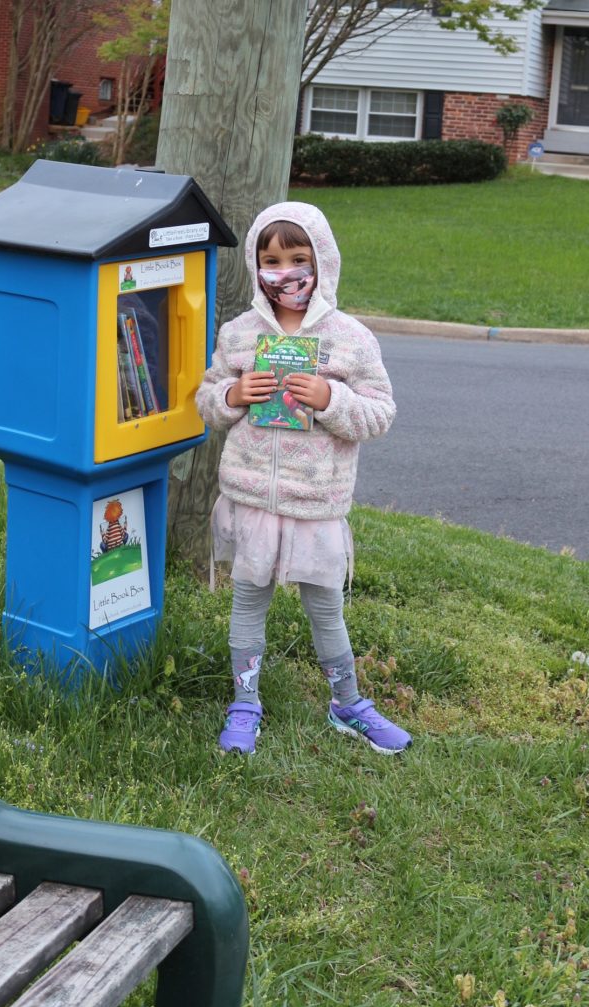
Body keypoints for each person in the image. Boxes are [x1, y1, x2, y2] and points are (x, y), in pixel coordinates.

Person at [195, 201, 412, 756]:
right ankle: (245, 702)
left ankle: (348, 702)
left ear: (322, 261)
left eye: (298, 257)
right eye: (270, 259)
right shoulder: (240, 334)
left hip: (316, 503)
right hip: (252, 498)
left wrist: (332, 399)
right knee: (248, 604)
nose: (284, 271)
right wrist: (232, 395)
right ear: (255, 264)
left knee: (325, 609)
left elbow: (380, 413)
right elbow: (208, 398)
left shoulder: (351, 339)